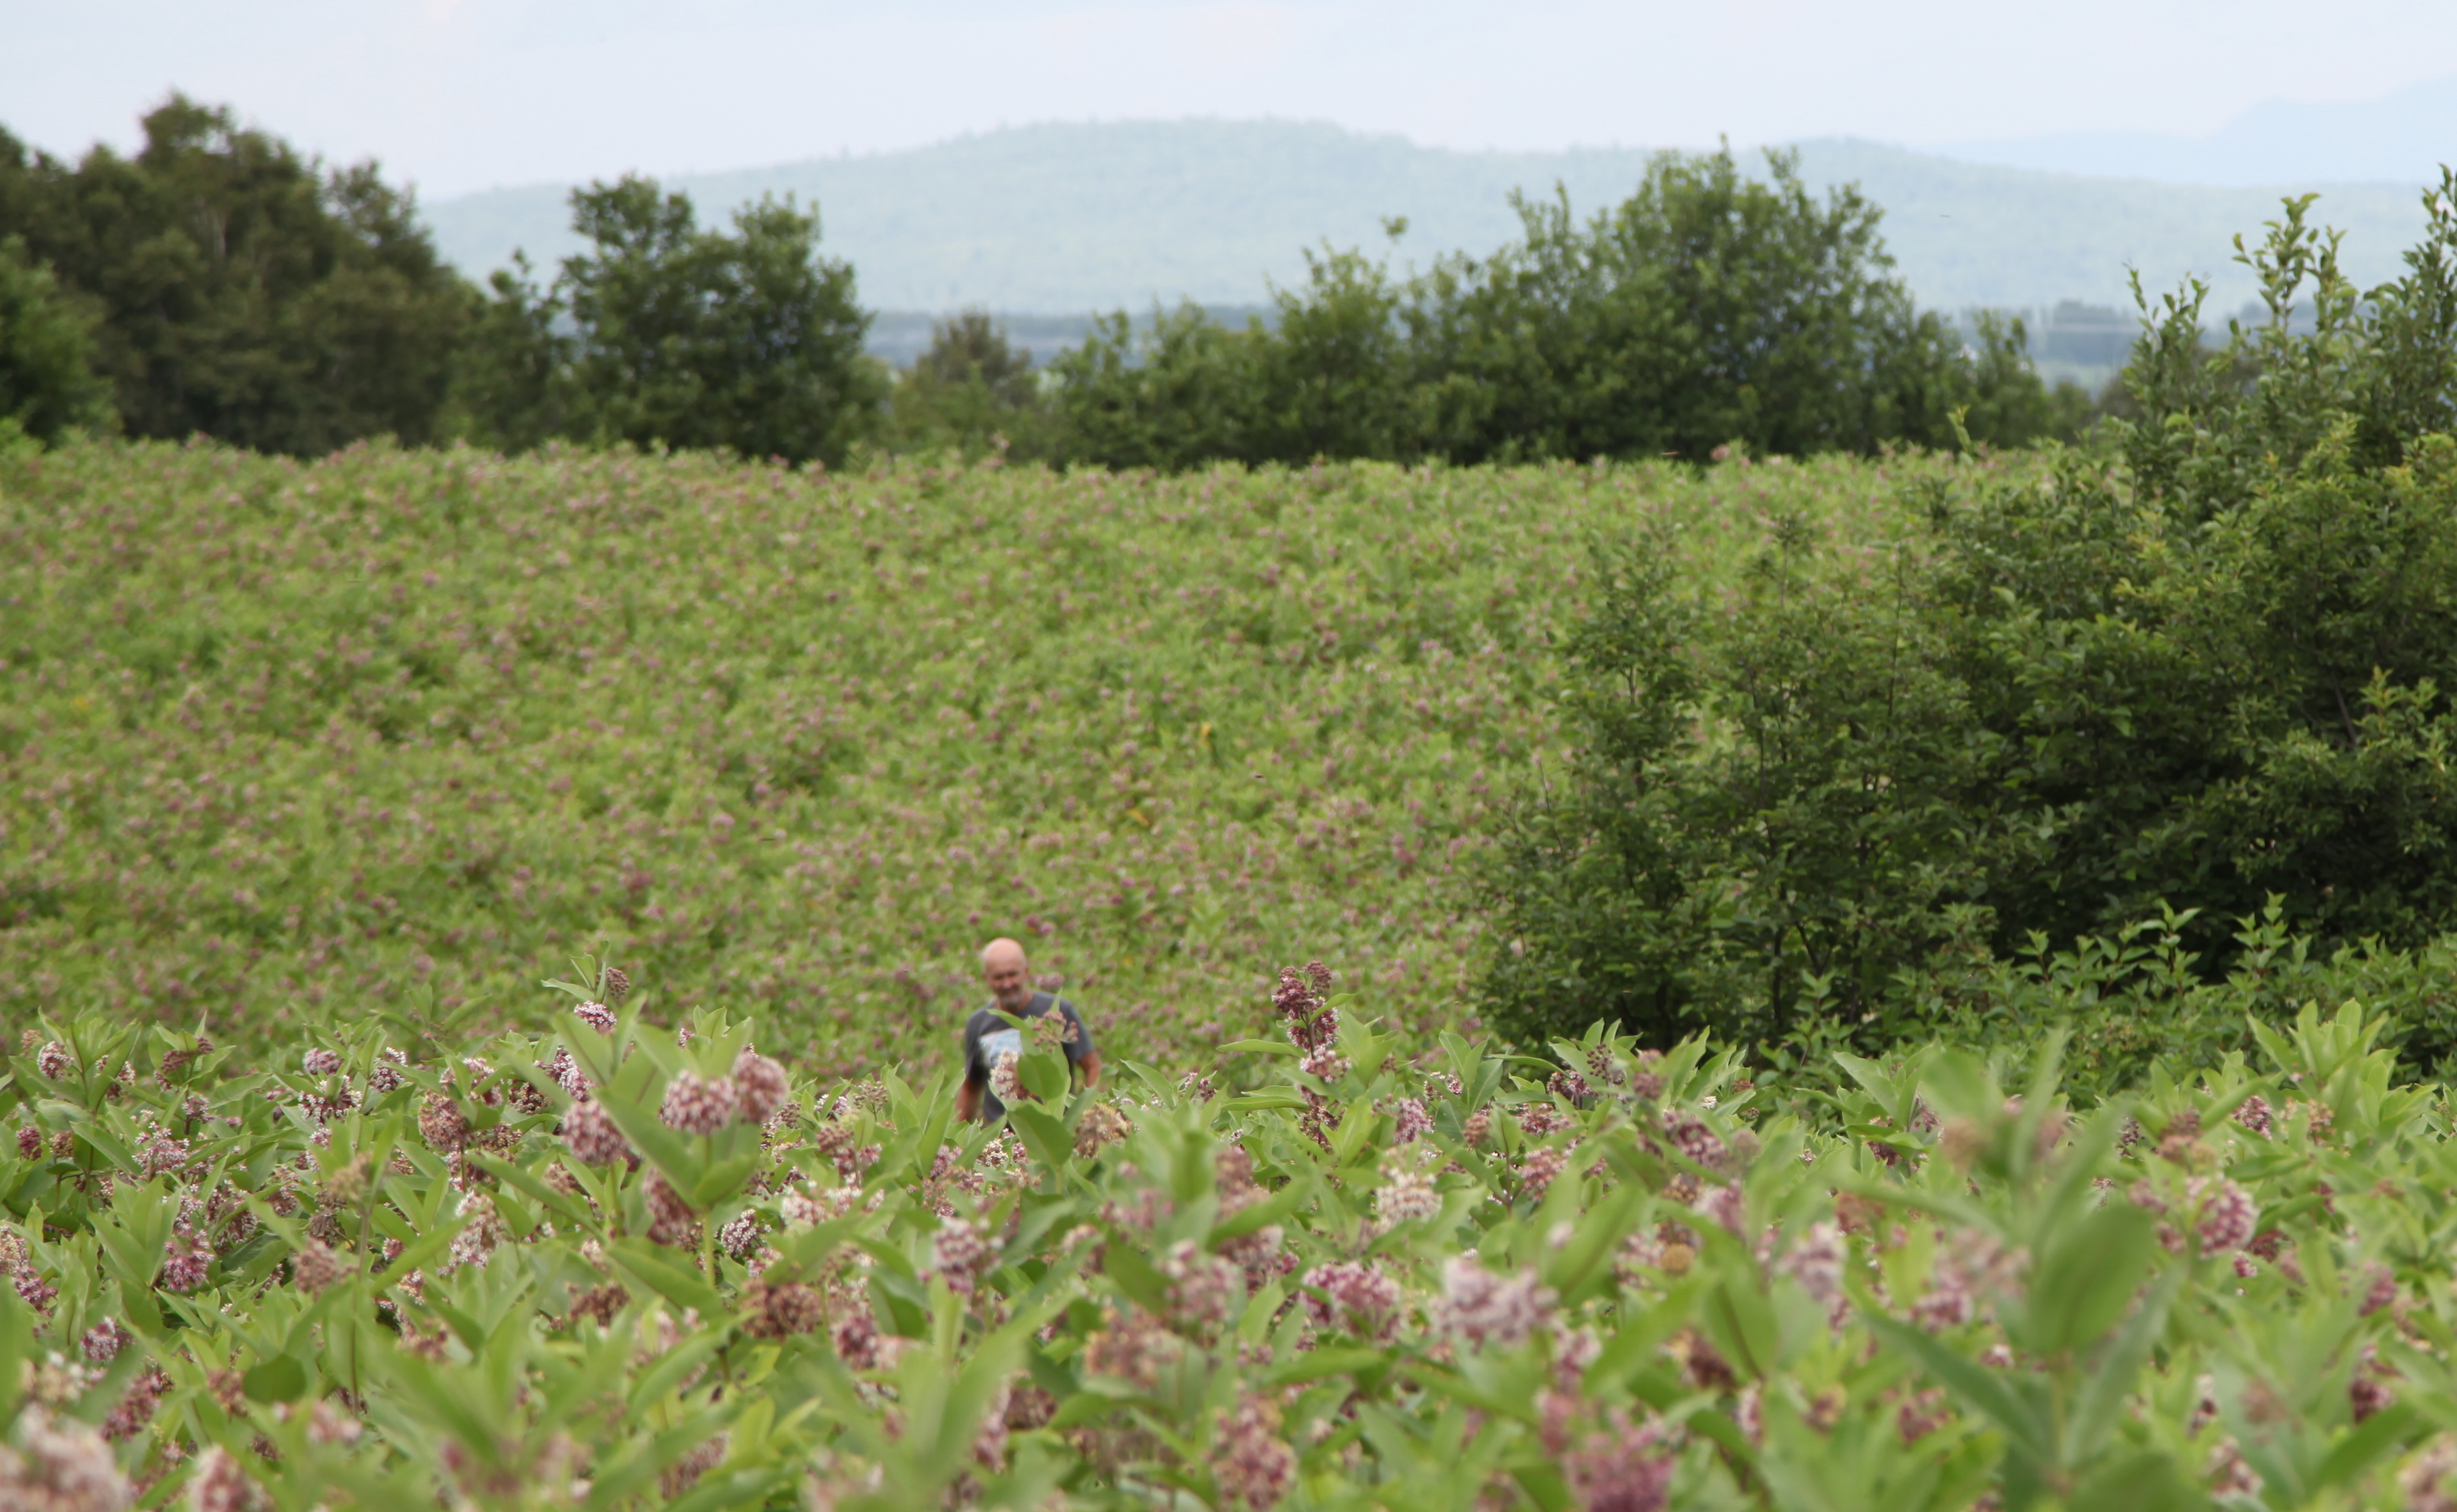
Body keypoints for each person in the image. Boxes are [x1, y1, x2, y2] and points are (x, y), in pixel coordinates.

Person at [958, 936, 1100, 1122]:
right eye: (999, 977)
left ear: (1026, 971)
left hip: (1055, 1129)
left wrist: (1086, 1116)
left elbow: (1093, 1066)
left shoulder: (1057, 1012)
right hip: (1002, 1141)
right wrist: (958, 1141)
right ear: (986, 978)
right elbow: (971, 1086)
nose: (1007, 984)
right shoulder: (979, 1022)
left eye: (1013, 974)